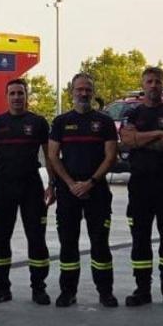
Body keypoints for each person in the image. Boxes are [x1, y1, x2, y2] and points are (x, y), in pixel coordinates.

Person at [46, 72, 120, 308]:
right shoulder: (60, 122)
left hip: (96, 192)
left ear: (93, 92)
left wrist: (90, 182)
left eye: (88, 89)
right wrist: (69, 184)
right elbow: (52, 156)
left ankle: (105, 292)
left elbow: (111, 156)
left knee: (100, 244)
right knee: (68, 244)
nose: (84, 93)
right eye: (79, 89)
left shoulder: (105, 122)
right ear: (71, 92)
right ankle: (68, 292)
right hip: (68, 193)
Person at [119, 66, 163, 307]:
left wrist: (141, 140)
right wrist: (158, 133)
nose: (153, 85)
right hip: (139, 186)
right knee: (140, 239)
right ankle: (142, 289)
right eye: (149, 81)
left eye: (158, 81)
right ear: (143, 84)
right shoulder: (132, 113)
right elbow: (127, 140)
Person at [0, 78, 52, 305]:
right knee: (1, 240)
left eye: (20, 93)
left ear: (26, 95)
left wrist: (52, 184)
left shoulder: (39, 123)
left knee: (36, 239)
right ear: (6, 96)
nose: (16, 97)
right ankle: (2, 288)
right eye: (12, 93)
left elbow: (49, 156)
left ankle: (38, 288)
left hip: (31, 187)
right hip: (3, 187)